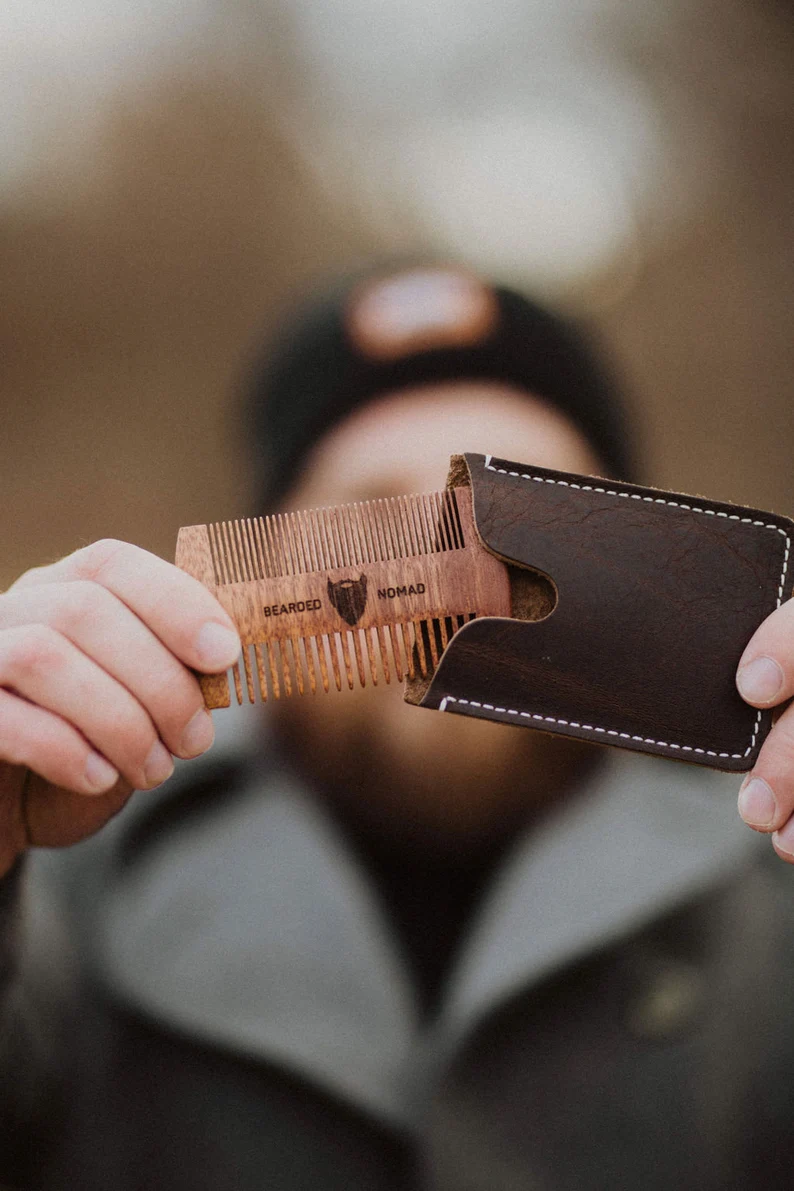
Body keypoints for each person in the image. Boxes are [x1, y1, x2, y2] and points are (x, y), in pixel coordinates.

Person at [1, 265, 794, 1190]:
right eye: (380, 507)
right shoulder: (70, 866)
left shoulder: (766, 873)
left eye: (517, 520)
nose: (452, 581)